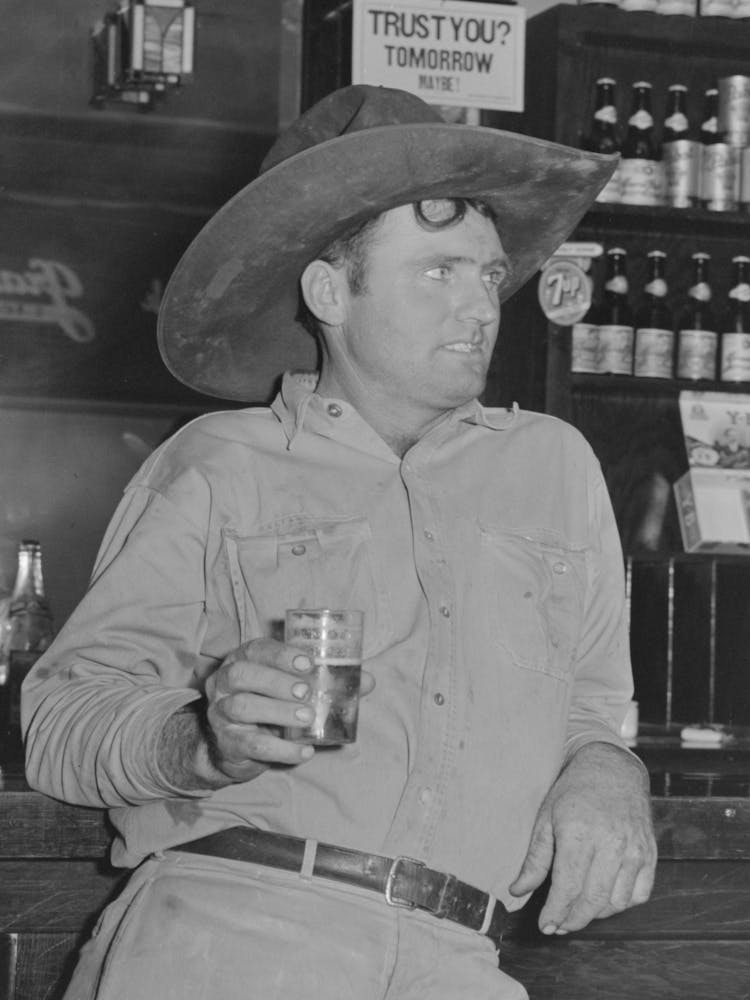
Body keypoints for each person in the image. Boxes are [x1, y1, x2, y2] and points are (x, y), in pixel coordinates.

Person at [22, 85, 656, 1000]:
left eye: (487, 274)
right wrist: (203, 738)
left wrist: (607, 767)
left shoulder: (553, 466)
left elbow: (594, 705)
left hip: (461, 957)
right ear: (330, 291)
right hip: (230, 934)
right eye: (438, 272)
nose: (481, 305)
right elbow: (60, 721)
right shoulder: (215, 464)